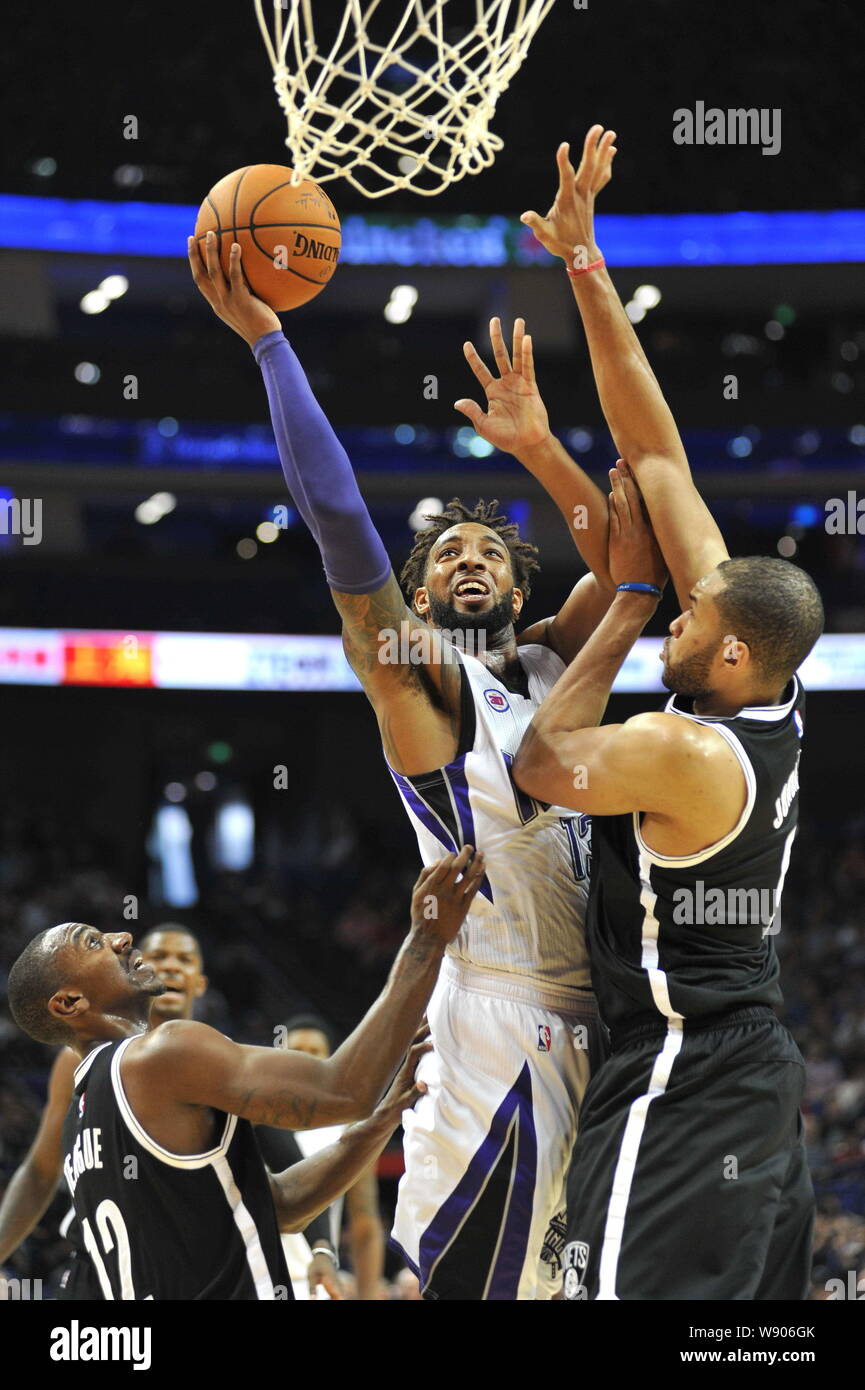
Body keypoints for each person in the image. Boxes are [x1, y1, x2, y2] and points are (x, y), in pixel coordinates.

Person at [187, 220, 644, 1300]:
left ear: (522, 593)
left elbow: (637, 561)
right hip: (497, 1019)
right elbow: (341, 521)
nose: (471, 558)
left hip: (604, 1022)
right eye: (446, 554)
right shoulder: (424, 683)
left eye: (491, 548)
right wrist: (266, 340)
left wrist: (537, 447)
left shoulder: (546, 665)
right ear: (422, 600)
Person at [511, 126, 825, 1299]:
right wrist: (585, 267)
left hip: (683, 1078)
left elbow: (547, 762)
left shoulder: (686, 748)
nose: (670, 630)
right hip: (736, 1063)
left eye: (685, 625)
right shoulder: (761, 682)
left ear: (731, 652)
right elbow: (655, 456)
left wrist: (625, 593)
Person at [6, 849, 485, 1299]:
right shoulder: (161, 1054)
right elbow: (343, 1089)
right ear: (70, 1003)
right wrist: (426, 940)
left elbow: (281, 1206)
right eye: (93, 942)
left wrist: (378, 1122)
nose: (121, 937)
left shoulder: (79, 1116)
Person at [0, 924, 340, 1299]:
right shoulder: (78, 1061)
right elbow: (39, 1172)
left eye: (185, 958)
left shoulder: (212, 1057)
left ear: (200, 983)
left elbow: (284, 1154)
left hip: (200, 1265)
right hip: (104, 1266)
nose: (171, 966)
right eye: (160, 956)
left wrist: (322, 1244)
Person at [268, 1014, 386, 1301]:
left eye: (314, 1053)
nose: (304, 1060)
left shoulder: (347, 1130)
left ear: (330, 1061)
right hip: (251, 1277)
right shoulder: (246, 1118)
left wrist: (367, 1295)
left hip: (314, 1281)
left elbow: (365, 1221)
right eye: (296, 1051)